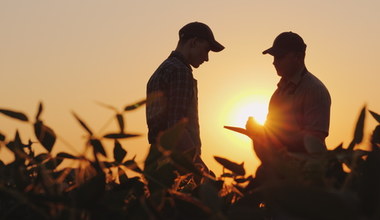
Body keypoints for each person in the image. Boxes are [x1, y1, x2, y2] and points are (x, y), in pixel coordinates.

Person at [144, 22, 224, 192]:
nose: (207, 58)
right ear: (194, 42)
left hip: (156, 164)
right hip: (176, 171)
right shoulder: (180, 72)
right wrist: (201, 171)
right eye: (207, 50)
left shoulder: (160, 71)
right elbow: (176, 129)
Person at [246, 31, 331, 162]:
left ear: (298, 57)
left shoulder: (315, 90)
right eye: (273, 57)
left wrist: (264, 134)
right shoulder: (278, 93)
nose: (274, 62)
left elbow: (314, 140)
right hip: (279, 169)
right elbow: (272, 134)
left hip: (306, 174)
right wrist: (257, 132)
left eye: (279, 57)